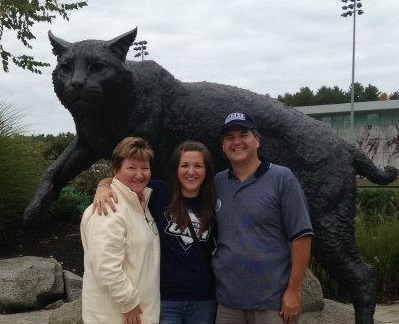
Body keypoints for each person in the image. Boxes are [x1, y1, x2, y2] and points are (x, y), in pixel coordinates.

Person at [94, 140, 217, 324]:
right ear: (176, 168)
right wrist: (102, 187)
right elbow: (127, 179)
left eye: (198, 166)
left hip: (203, 299)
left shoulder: (213, 199)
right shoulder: (158, 192)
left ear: (206, 170)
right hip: (166, 299)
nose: (191, 171)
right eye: (184, 165)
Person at [213, 111, 314, 324]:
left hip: (272, 304)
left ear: (257, 140)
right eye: (230, 137)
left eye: (243, 134)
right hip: (228, 303)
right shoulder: (218, 183)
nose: (236, 142)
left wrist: (294, 291)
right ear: (223, 146)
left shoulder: (282, 178)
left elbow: (302, 237)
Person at [80, 136, 160, 324]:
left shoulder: (137, 202)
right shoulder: (108, 208)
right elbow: (106, 266)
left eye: (145, 168)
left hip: (137, 314)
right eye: (131, 168)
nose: (140, 174)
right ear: (116, 170)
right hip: (117, 316)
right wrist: (129, 301)